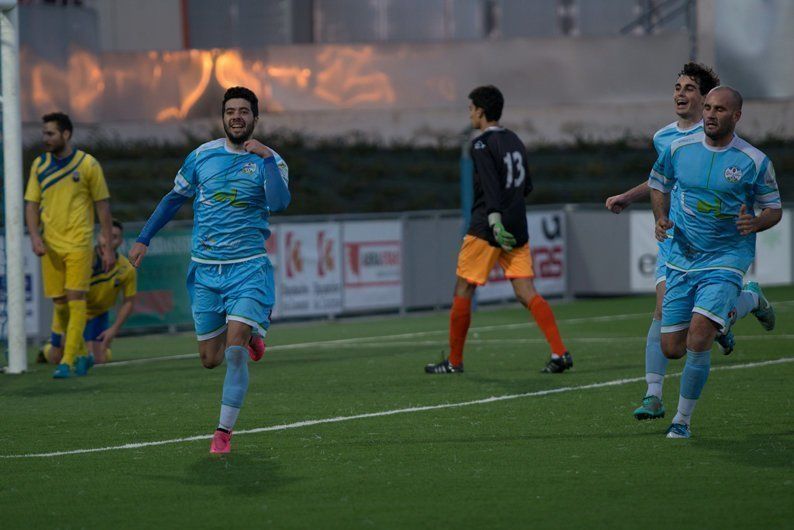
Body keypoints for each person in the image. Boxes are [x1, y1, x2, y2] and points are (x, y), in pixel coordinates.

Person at [128, 86, 290, 454]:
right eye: (231, 111)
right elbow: (174, 199)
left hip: (248, 268)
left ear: (254, 118)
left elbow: (279, 203)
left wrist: (265, 157)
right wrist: (143, 238)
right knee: (210, 359)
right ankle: (250, 336)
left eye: (244, 111)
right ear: (223, 117)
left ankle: (222, 433)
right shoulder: (202, 156)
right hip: (205, 271)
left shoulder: (271, 160)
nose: (237, 116)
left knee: (233, 353)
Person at [605, 63, 769, 421]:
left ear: (708, 98)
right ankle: (653, 394)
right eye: (677, 87)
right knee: (664, 312)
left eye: (690, 88)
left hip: (715, 246)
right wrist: (631, 198)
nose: (681, 94)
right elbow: (661, 180)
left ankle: (740, 304)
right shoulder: (665, 137)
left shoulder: (718, 136)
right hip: (675, 240)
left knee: (686, 324)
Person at [649, 86, 781, 439]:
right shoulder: (678, 149)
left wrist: (756, 222)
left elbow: (774, 208)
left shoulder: (753, 161)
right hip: (682, 257)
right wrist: (660, 217)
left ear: (736, 116)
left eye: (719, 109)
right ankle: (750, 299)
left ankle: (682, 420)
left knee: (700, 336)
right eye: (707, 107)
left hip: (726, 257)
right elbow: (658, 183)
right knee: (672, 348)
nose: (709, 114)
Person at [425, 85, 571, 375]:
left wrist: (493, 219)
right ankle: (560, 353)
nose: (469, 114)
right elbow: (526, 185)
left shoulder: (480, 144)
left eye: (470, 108)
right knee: (526, 291)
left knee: (463, 287)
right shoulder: (515, 140)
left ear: (480, 111)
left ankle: (454, 361)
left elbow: (490, 186)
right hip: (518, 224)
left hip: (488, 226)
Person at [24, 112, 115, 379]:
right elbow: (31, 204)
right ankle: (82, 355)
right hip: (50, 245)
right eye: (44, 133)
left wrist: (107, 243)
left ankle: (67, 360)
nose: (45, 138)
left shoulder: (88, 165)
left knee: (76, 300)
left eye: (50, 133)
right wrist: (34, 236)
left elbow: (103, 206)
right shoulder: (39, 166)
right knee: (60, 304)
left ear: (66, 134)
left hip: (79, 243)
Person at [39, 219, 136, 365]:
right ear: (98, 237)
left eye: (114, 237)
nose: (107, 242)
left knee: (97, 360)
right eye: (105, 236)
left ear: (121, 241)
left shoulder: (126, 268)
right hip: (72, 312)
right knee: (56, 358)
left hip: (97, 315)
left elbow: (129, 302)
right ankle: (47, 349)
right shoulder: (82, 259)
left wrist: (113, 330)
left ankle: (100, 350)